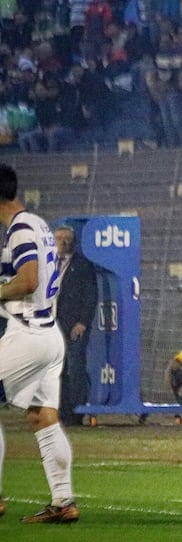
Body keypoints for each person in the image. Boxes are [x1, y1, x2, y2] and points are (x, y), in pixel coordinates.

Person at [0, 163, 79, 523]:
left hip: (28, 332)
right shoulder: (38, 225)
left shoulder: (19, 230)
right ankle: (63, 501)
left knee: (42, 416)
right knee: (42, 416)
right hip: (48, 333)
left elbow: (28, 280)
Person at [54, 225, 98, 427]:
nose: (63, 242)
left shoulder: (82, 265)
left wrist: (83, 322)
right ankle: (61, 411)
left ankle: (76, 412)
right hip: (52, 324)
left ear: (73, 242)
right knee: (57, 370)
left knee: (75, 368)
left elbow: (90, 296)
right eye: (59, 238)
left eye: (67, 239)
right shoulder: (48, 264)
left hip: (73, 325)